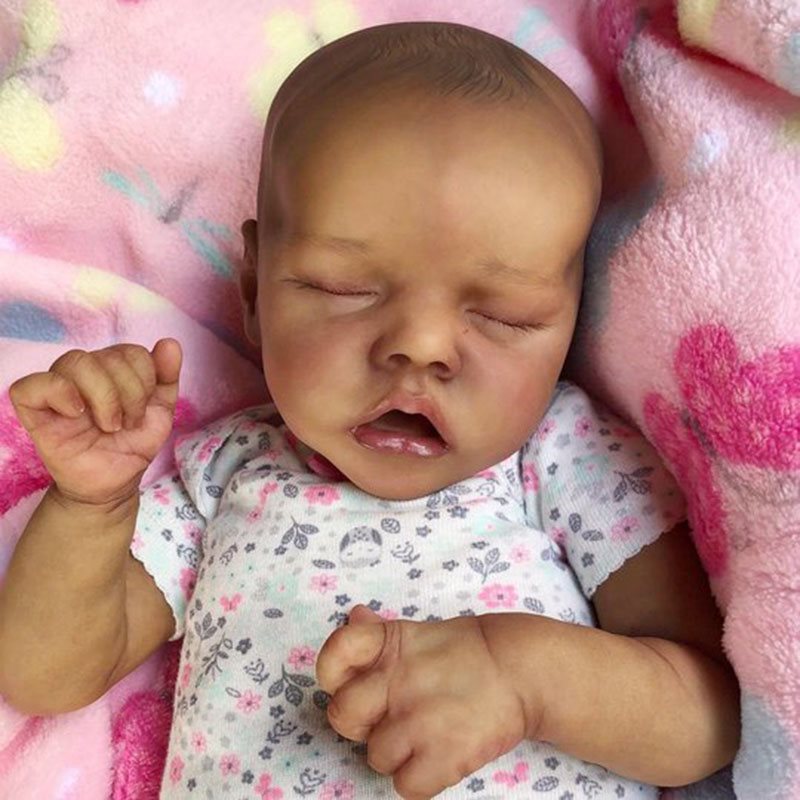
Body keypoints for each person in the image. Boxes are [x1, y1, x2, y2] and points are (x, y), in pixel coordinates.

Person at [0, 22, 739, 800]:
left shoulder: (569, 461)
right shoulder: (221, 476)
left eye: (503, 315)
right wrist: (90, 506)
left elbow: (708, 718)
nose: (420, 346)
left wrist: (526, 677)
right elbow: (45, 675)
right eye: (345, 289)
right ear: (254, 293)